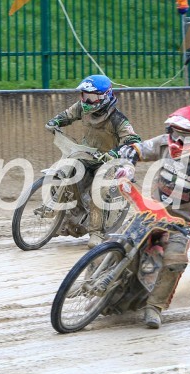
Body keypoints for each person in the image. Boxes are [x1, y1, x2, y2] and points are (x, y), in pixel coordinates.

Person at [117, 106, 190, 328]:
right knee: (117, 241)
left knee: (175, 262)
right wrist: (127, 168)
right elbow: (134, 149)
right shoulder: (164, 142)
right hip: (148, 212)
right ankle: (94, 278)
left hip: (179, 225)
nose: (176, 140)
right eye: (174, 132)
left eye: (184, 136)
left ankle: (154, 307)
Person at [45, 74, 142, 248]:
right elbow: (68, 115)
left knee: (97, 191)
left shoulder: (118, 119)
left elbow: (133, 140)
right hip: (85, 156)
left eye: (92, 97)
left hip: (106, 161)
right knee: (65, 177)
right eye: (84, 96)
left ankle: (97, 232)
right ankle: (69, 217)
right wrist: (55, 121)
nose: (87, 101)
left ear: (106, 96)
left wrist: (114, 153)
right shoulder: (82, 108)